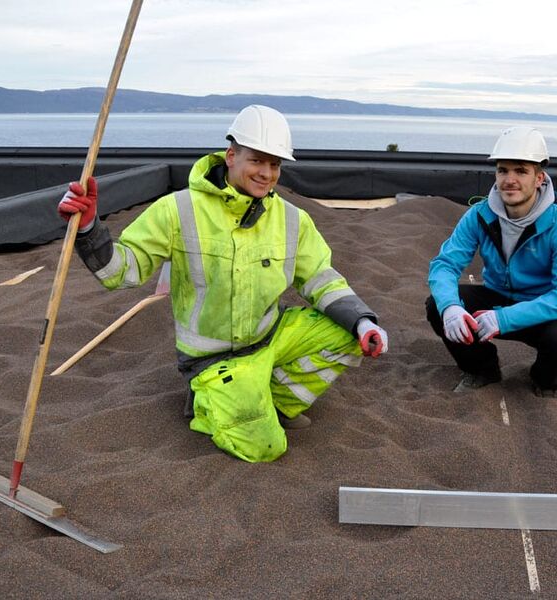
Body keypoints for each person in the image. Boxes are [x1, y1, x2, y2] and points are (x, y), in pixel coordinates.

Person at [58, 105, 388, 462]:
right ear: (231, 156)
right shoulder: (178, 210)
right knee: (265, 447)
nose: (266, 173)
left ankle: (272, 400)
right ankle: (208, 403)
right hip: (213, 361)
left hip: (268, 338)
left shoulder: (293, 220)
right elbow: (122, 272)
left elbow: (322, 278)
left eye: (275, 164)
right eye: (257, 161)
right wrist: (89, 229)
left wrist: (362, 321)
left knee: (346, 334)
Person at [426, 126, 557, 397]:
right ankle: (482, 369)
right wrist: (451, 307)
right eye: (503, 170)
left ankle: (545, 377)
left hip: (538, 309)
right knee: (436, 305)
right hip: (495, 297)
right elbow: (445, 265)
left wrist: (505, 318)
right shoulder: (479, 215)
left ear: (539, 178)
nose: (509, 179)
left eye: (521, 170)